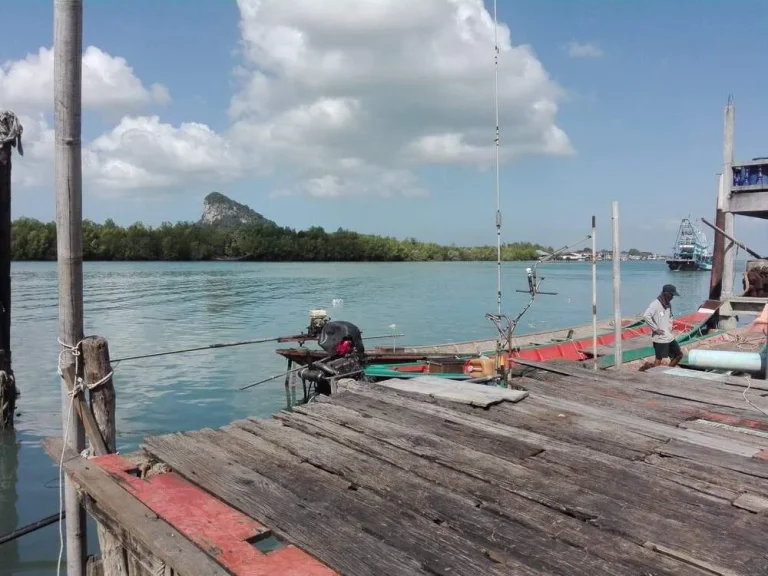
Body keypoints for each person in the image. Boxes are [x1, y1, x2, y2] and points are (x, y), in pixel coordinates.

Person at [639, 284, 683, 371]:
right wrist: (655, 329)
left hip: (669, 336)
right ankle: (654, 375)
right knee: (659, 358)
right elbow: (646, 316)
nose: (672, 297)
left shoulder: (668, 304)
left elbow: (670, 316)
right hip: (660, 338)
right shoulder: (655, 304)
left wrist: (670, 327)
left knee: (679, 355)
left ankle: (668, 371)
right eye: (671, 295)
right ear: (666, 294)